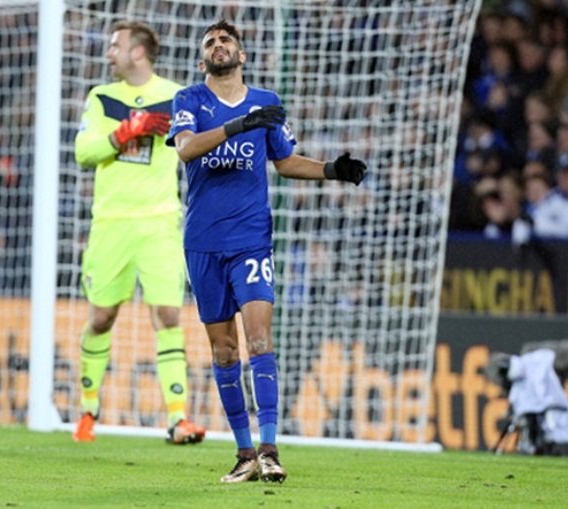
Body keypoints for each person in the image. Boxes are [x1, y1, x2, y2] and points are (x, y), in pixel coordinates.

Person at [166, 20, 366, 483]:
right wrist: (238, 126)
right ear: (202, 60)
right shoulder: (188, 99)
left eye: (226, 40)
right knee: (223, 350)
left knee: (259, 339)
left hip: (251, 239)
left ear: (242, 55)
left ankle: (270, 449)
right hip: (202, 243)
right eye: (210, 42)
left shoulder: (266, 102)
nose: (218, 45)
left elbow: (285, 160)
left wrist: (332, 170)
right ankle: (244, 455)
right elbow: (186, 149)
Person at [72, 20, 205, 445]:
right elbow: (83, 152)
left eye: (116, 45)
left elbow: (196, 144)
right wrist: (124, 131)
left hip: (160, 222)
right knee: (101, 318)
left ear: (137, 52)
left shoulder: (177, 96)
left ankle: (178, 418)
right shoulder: (101, 97)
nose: (109, 52)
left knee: (168, 314)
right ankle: (88, 410)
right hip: (112, 223)